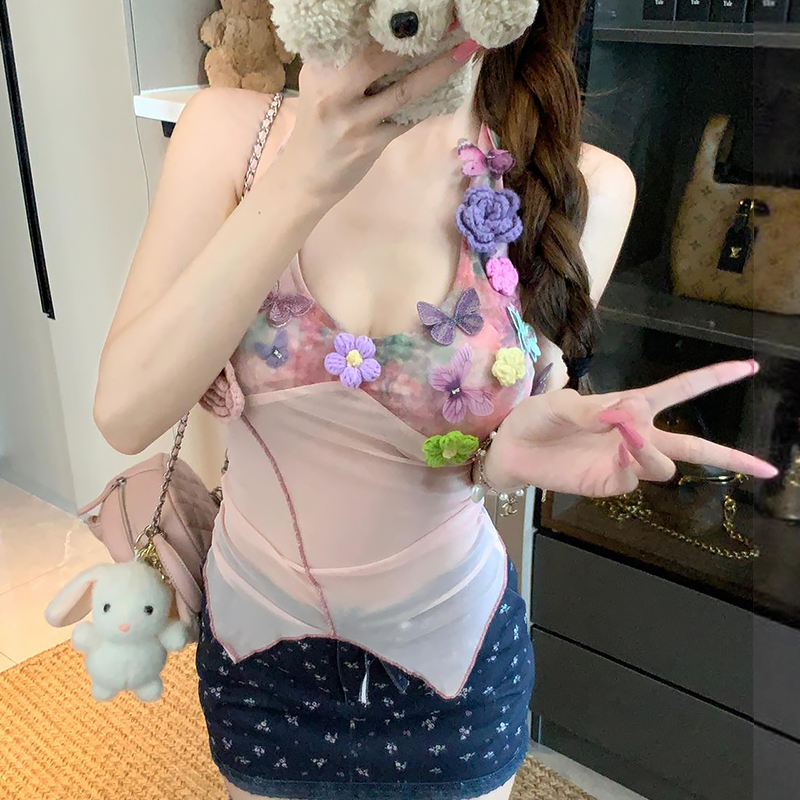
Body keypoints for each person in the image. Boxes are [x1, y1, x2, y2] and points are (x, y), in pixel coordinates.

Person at [94, 2, 777, 799]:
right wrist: (304, 177)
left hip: (455, 671)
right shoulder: (225, 136)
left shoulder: (582, 184)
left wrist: (520, 447)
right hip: (258, 658)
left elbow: (484, 452)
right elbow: (125, 413)